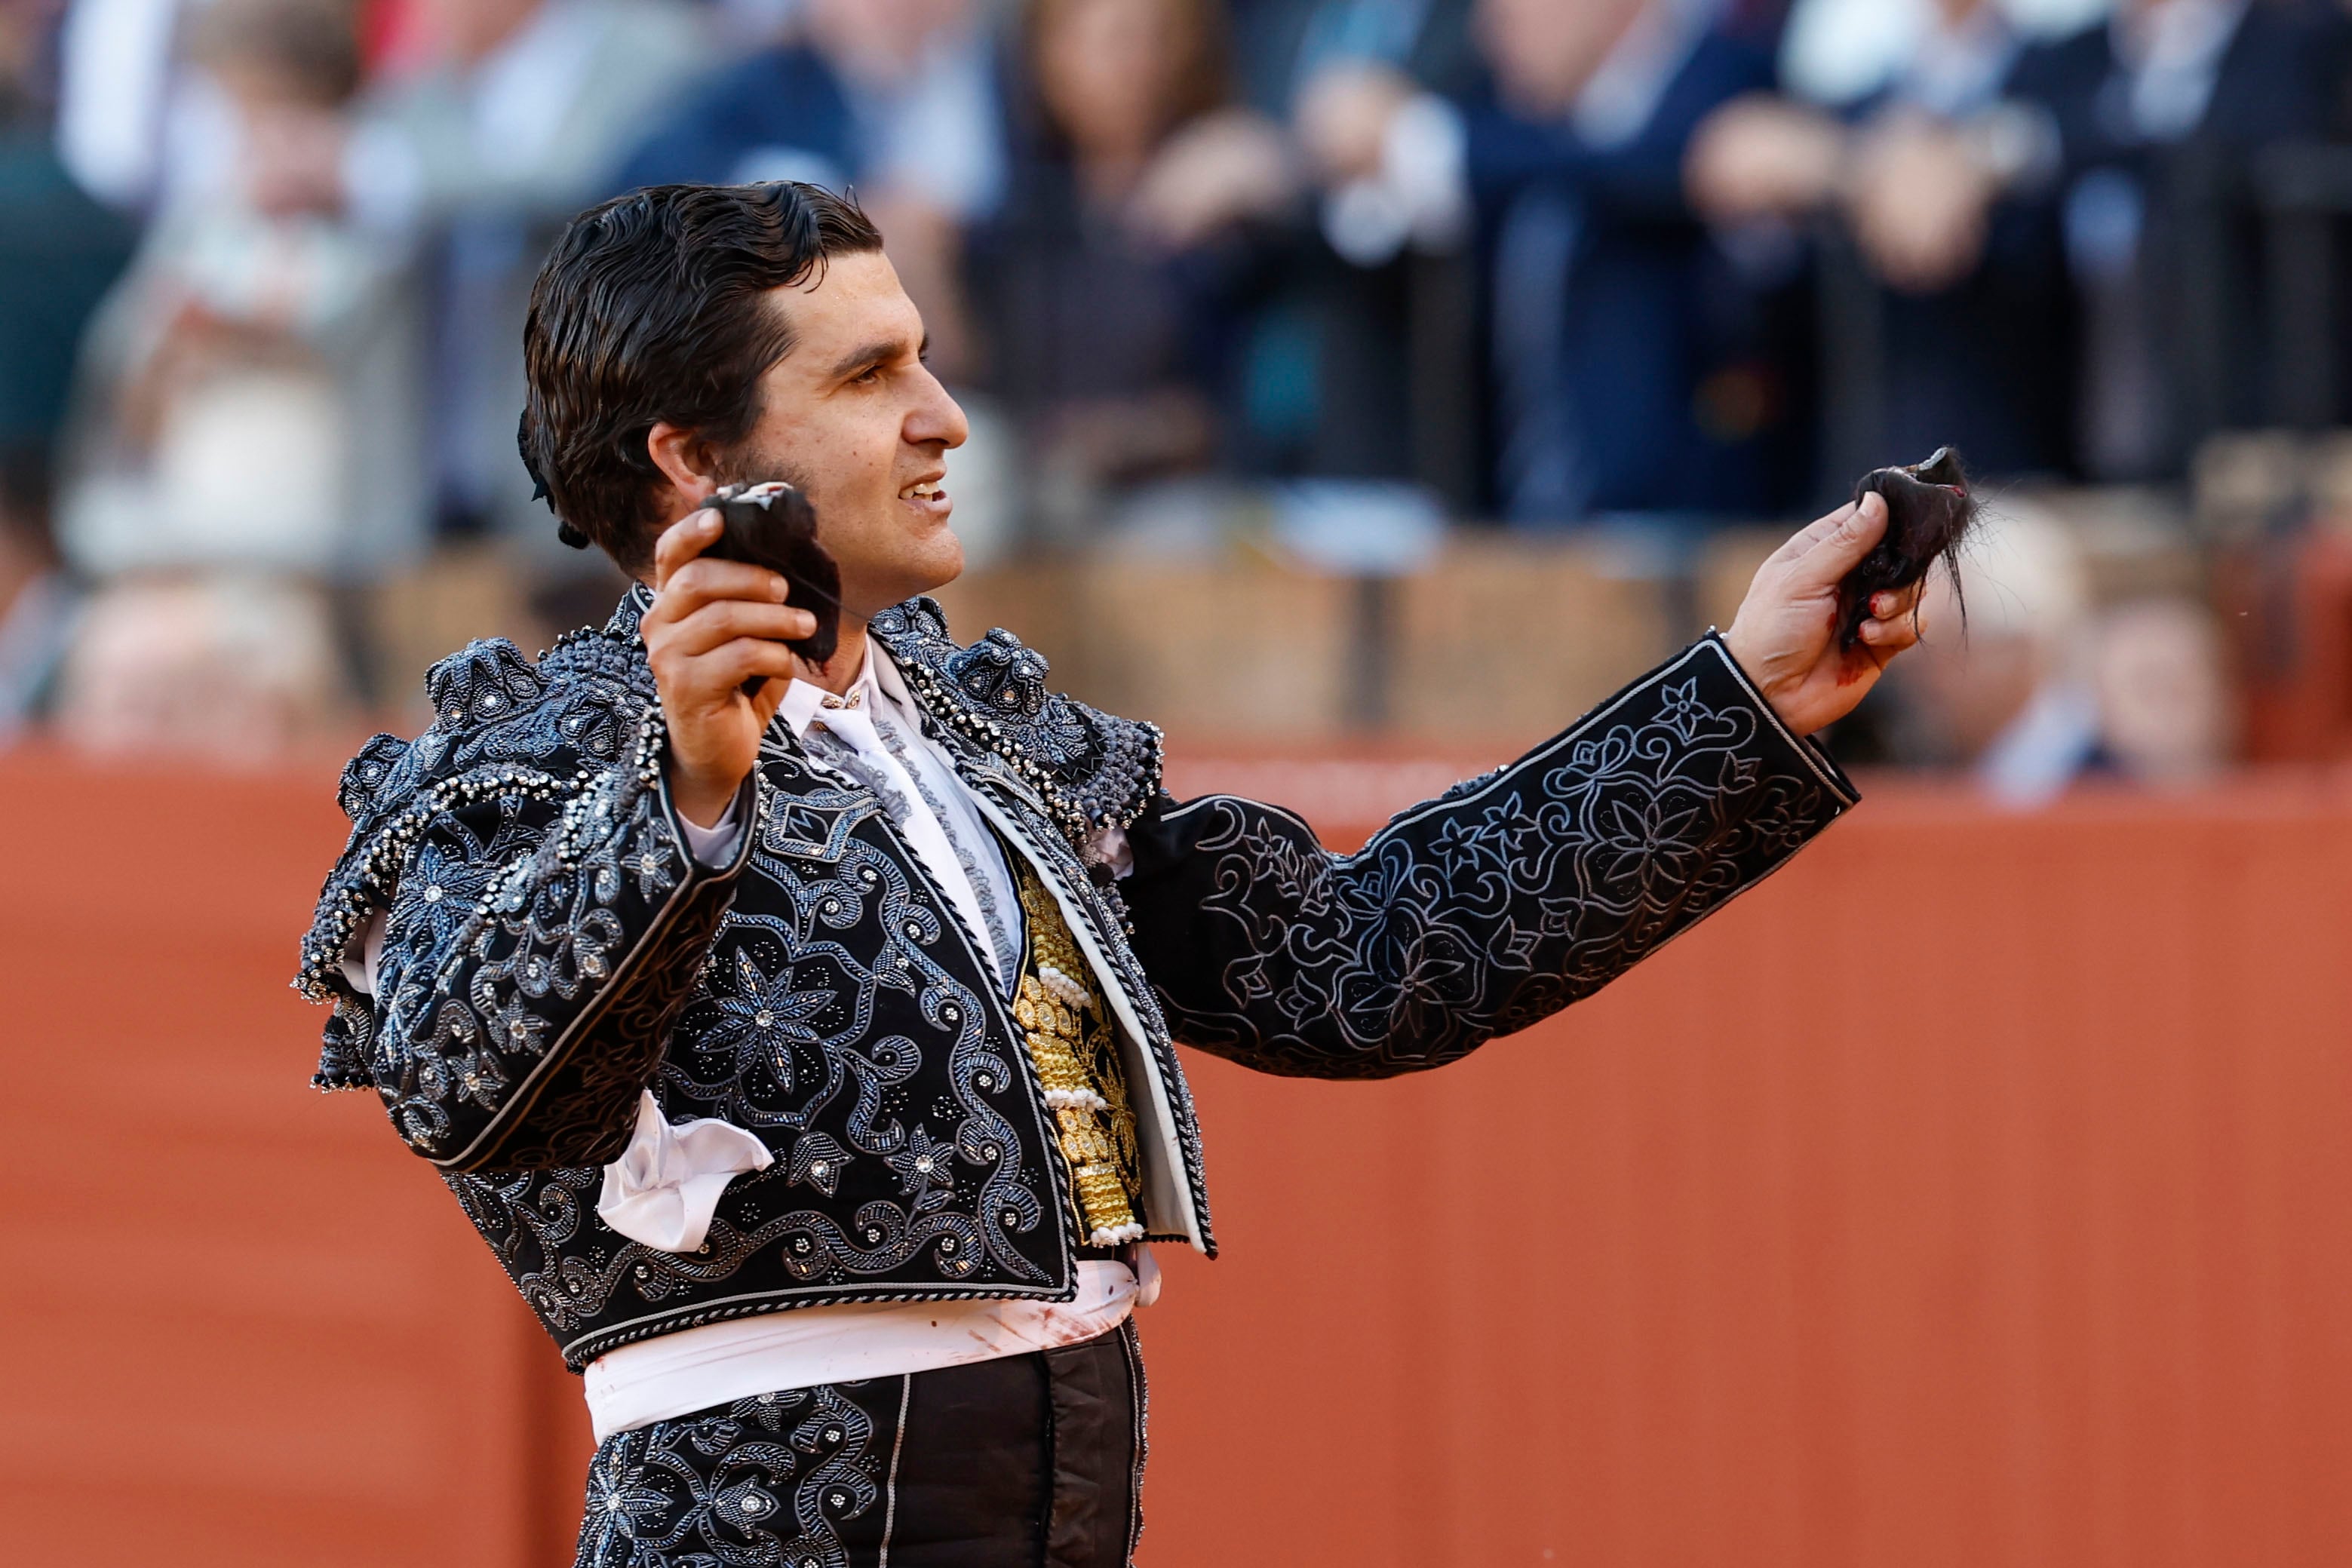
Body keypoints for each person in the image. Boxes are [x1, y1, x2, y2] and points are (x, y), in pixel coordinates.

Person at [293, 180, 1925, 1566]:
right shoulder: (530, 762)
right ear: (694, 464)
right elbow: (469, 1080)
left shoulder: (986, 738)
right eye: (870, 379)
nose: (942, 417)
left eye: (926, 361)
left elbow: (1366, 958)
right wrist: (686, 794)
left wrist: (1738, 699)